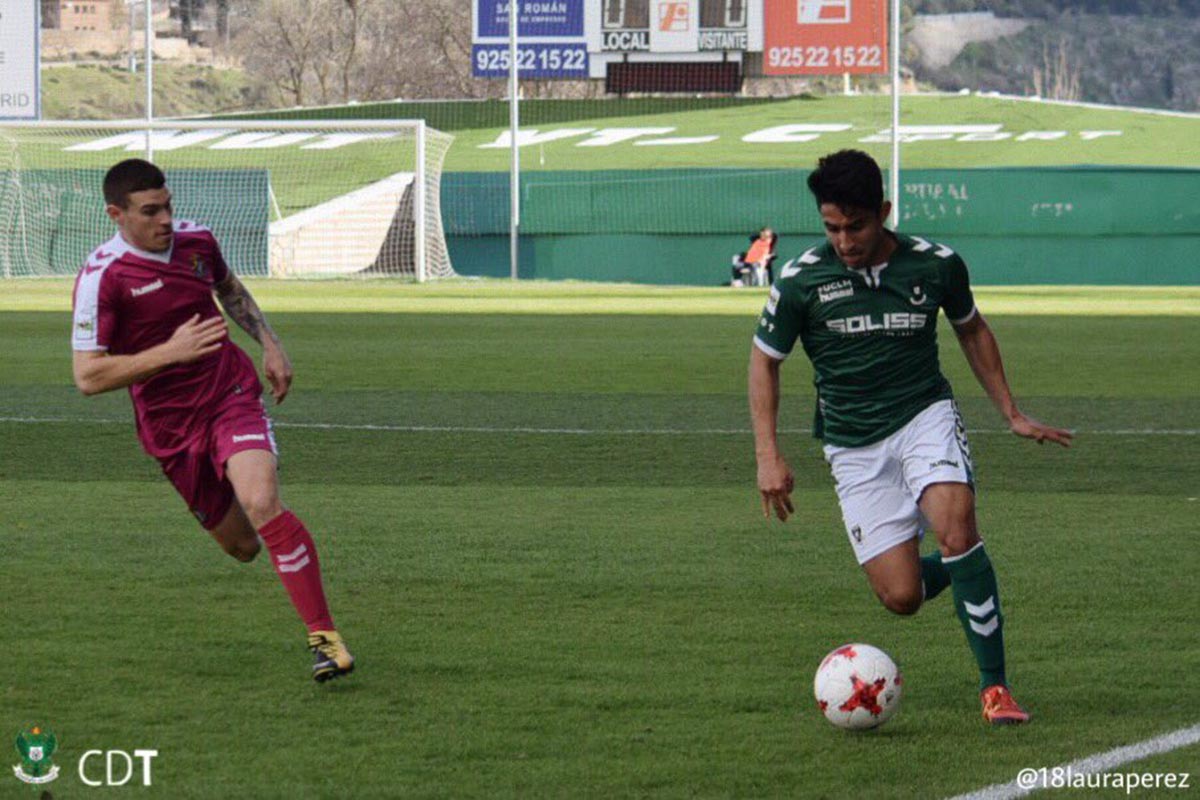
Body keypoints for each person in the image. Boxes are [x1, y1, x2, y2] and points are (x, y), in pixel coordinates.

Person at [748, 150, 1072, 725]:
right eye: (832, 227)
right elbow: (764, 361)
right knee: (902, 597)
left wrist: (1012, 412)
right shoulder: (801, 281)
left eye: (856, 226)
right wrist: (768, 455)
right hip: (852, 444)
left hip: (925, 416)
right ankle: (967, 564)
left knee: (955, 523)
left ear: (885, 212)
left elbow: (972, 329)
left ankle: (994, 690)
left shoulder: (935, 265)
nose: (844, 240)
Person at [70, 158, 354, 683]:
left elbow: (231, 290)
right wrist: (169, 352)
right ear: (116, 215)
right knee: (244, 546)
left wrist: (269, 342)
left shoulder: (198, 241)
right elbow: (88, 376)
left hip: (230, 392)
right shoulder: (102, 277)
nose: (166, 220)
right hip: (170, 429)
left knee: (262, 500)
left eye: (169, 206)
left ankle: (325, 639)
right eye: (151, 212)